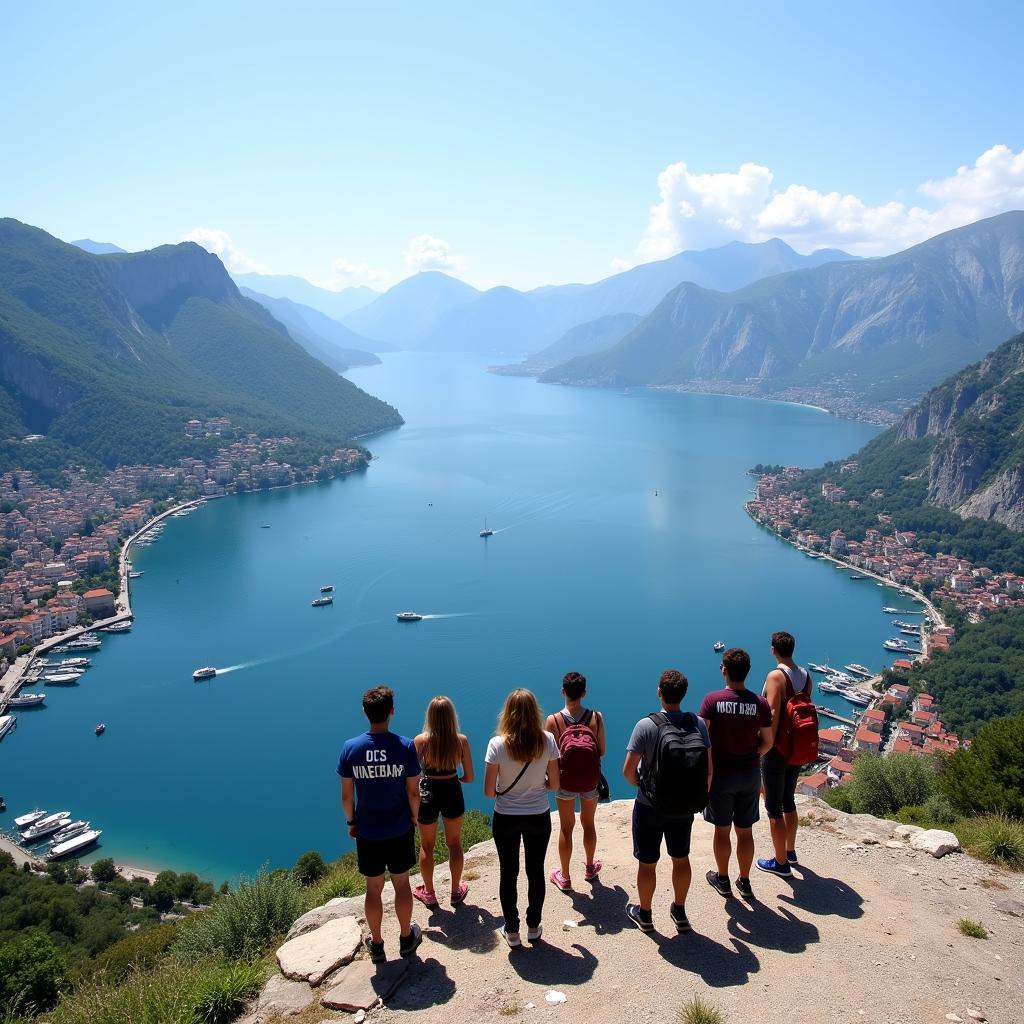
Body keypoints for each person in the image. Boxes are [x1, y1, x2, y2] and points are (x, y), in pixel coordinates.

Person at [338, 685, 424, 963]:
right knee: (401, 884)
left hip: (368, 829)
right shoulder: (405, 746)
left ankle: (376, 944)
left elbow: (347, 795)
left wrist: (351, 821)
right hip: (399, 827)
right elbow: (413, 791)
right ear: (391, 712)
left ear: (365, 712)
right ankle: (405, 938)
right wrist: (414, 817)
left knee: (372, 889)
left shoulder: (351, 748)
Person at [623, 669, 711, 934]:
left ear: (659, 692)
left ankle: (646, 914)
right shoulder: (698, 724)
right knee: (681, 858)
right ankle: (680, 911)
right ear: (684, 694)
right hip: (685, 806)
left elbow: (628, 771)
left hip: (650, 806)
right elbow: (709, 770)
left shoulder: (646, 725)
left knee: (647, 862)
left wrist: (642, 785)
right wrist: (696, 796)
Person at [484, 689, 561, 948]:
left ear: (507, 712)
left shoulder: (497, 744)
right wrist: (537, 782)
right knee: (535, 871)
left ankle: (512, 930)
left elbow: (487, 792)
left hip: (505, 816)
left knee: (509, 873)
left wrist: (506, 787)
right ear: (534, 711)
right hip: (538, 814)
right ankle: (533, 926)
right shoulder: (548, 740)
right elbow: (555, 784)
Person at [698, 648, 774, 899]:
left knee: (722, 829)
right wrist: (753, 756)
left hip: (721, 775)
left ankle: (722, 879)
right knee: (745, 830)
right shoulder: (759, 704)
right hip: (750, 773)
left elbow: (702, 739)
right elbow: (768, 741)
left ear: (724, 670)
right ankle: (745, 880)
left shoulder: (712, 700)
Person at [758, 630, 812, 876]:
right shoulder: (806, 676)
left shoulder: (775, 677)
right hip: (797, 748)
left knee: (773, 807)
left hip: (777, 750)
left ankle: (780, 863)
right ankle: (790, 851)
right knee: (788, 799)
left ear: (773, 650)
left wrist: (762, 749)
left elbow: (771, 716)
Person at [545, 671, 605, 891]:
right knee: (588, 824)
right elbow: (602, 750)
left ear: (563, 691)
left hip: (564, 782)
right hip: (590, 780)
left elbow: (546, 755)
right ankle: (590, 868)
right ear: (584, 693)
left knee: (566, 827)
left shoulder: (553, 721)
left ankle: (565, 876)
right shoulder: (596, 717)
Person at [412, 696, 474, 907]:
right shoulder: (461, 741)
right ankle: (456, 891)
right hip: (452, 789)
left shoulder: (420, 741)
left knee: (427, 845)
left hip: (427, 792)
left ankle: (429, 893)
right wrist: (455, 779)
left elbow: (412, 775)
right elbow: (469, 777)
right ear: (451, 717)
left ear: (430, 716)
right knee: (454, 843)